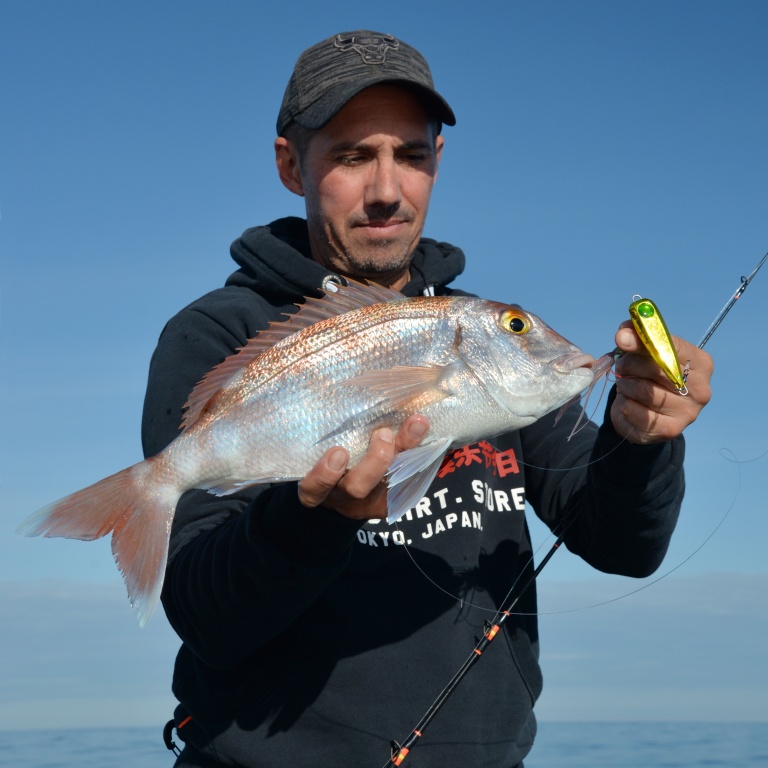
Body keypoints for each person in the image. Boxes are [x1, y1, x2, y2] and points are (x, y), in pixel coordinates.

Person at [142, 30, 713, 768]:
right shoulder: (216, 334)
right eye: (352, 156)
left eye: (411, 156)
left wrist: (640, 439)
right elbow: (204, 613)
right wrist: (313, 519)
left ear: (437, 161)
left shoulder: (489, 343)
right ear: (291, 164)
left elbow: (623, 546)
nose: (387, 190)